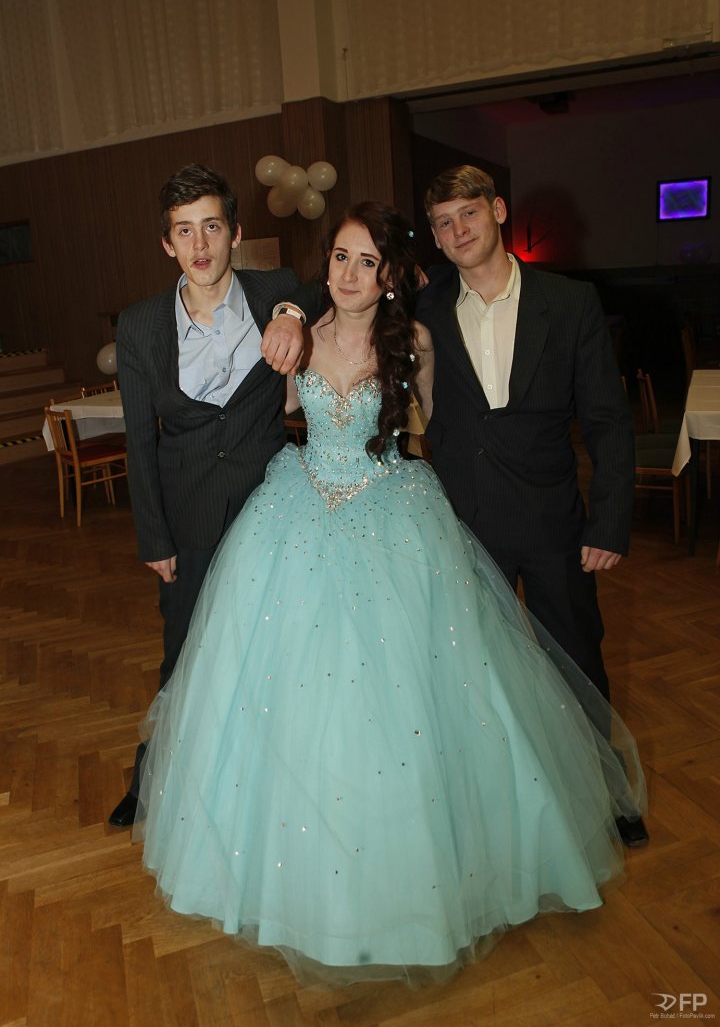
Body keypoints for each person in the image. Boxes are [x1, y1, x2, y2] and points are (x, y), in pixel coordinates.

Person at [132, 201, 646, 987]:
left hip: (392, 511)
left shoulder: (417, 343)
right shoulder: (297, 334)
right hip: (297, 511)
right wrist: (290, 315)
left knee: (416, 696)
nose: (349, 274)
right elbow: (277, 407)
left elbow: (439, 426)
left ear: (390, 277)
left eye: (367, 262)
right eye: (340, 257)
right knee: (284, 694)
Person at [416, 166, 647, 848]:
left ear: (497, 211)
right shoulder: (425, 308)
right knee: (478, 671)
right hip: (464, 525)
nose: (458, 231)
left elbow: (608, 420)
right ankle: (501, 803)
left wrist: (609, 520)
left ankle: (607, 793)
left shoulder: (569, 302)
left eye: (468, 213)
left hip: (553, 522)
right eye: (443, 223)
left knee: (577, 661)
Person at [108, 163, 311, 828]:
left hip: (269, 513)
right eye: (184, 231)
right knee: (183, 656)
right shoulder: (140, 326)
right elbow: (139, 440)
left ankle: (267, 785)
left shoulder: (274, 290)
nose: (200, 245)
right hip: (188, 517)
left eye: (212, 227)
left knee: (274, 652)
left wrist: (293, 315)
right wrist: (153, 536)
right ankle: (150, 779)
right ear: (167, 242)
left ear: (236, 233)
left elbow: (319, 287)